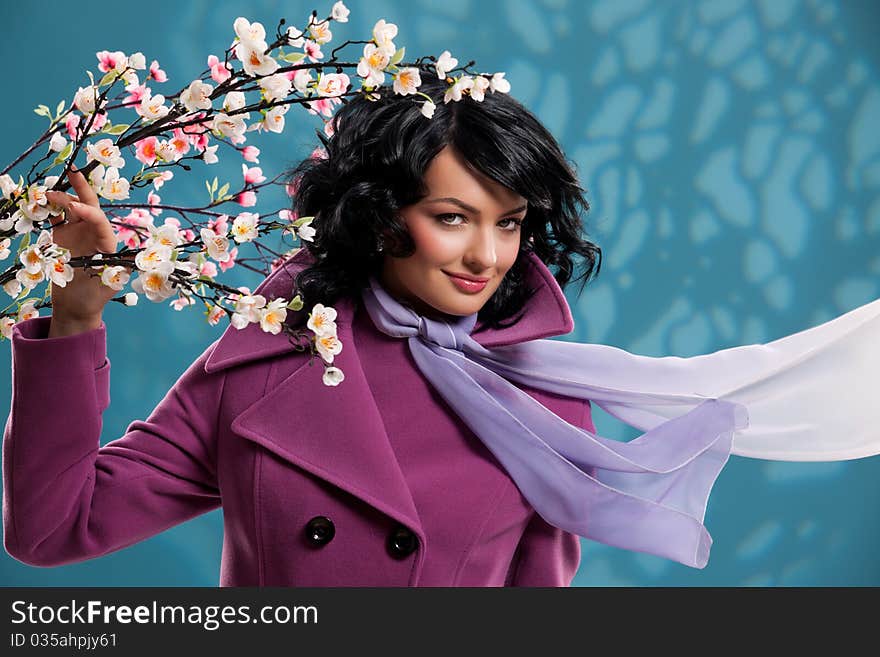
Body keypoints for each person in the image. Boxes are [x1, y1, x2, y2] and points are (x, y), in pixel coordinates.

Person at [3, 72, 878, 586]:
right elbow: (51, 529)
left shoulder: (537, 401)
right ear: (381, 215)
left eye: (511, 222)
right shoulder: (263, 365)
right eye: (455, 217)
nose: (488, 255)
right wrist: (76, 319)